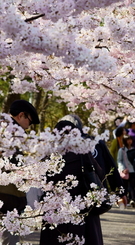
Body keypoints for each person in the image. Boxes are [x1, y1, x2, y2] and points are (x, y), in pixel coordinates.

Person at [39, 115, 105, 245]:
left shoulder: (48, 153)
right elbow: (99, 172)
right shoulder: (82, 151)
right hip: (81, 205)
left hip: (54, 207)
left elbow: (40, 179)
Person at [0, 99, 40, 245]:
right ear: (21, 115)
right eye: (29, 120)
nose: (29, 126)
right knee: (10, 237)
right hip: (8, 193)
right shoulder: (12, 132)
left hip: (8, 193)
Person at [117, 135, 135, 208]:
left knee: (132, 186)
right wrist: (122, 169)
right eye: (127, 140)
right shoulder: (121, 150)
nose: (129, 141)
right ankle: (125, 199)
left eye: (130, 140)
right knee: (124, 186)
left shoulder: (134, 149)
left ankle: (132, 199)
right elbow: (119, 160)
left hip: (132, 170)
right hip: (125, 171)